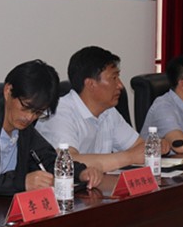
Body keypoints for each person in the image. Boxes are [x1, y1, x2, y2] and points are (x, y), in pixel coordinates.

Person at [0, 59, 102, 200]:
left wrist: (80, 172)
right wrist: (20, 182)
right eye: (26, 107)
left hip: (0, 211)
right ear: (8, 91)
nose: (29, 117)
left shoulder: (23, 127)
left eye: (38, 112)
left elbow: (47, 159)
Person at [37, 46, 169, 173]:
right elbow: (68, 161)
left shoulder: (108, 111)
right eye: (114, 78)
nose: (120, 85)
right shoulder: (59, 113)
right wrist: (129, 157)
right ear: (91, 84)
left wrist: (154, 146)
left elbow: (138, 147)